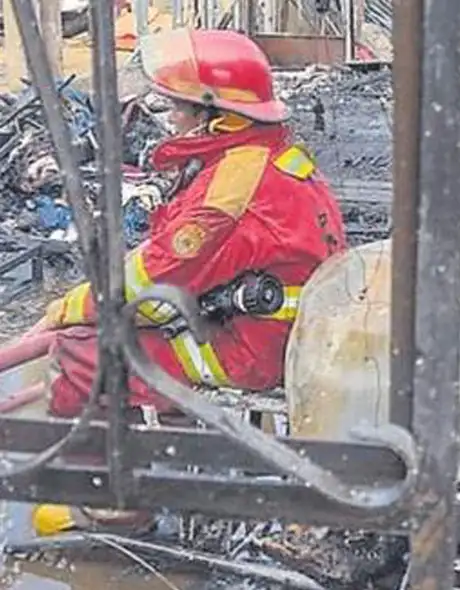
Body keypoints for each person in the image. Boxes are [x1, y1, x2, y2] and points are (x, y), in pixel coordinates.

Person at [30, 29, 347, 536]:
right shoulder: (264, 157)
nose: (171, 117)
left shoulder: (231, 188)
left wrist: (71, 308)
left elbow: (153, 286)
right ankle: (178, 465)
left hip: (251, 348)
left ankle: (110, 506)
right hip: (281, 335)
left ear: (218, 116)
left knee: (84, 354)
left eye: (179, 107)